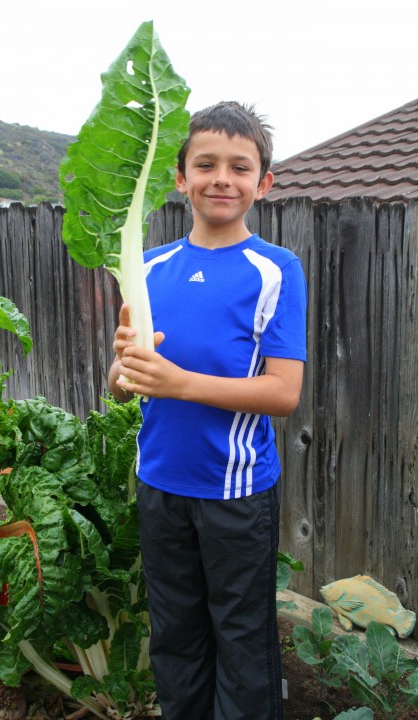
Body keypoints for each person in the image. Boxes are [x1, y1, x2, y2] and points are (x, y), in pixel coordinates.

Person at [108, 101, 307, 720]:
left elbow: (282, 393)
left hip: (236, 492)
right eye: (206, 164)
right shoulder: (146, 267)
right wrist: (124, 370)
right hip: (158, 482)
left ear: (263, 183)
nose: (222, 178)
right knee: (175, 635)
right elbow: (121, 387)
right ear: (179, 176)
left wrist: (177, 381)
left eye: (240, 166)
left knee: (242, 640)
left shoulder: (275, 270)